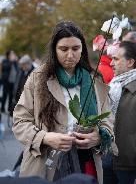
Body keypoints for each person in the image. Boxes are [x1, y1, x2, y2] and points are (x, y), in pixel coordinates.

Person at [12, 21, 114, 184]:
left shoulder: (95, 79)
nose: (70, 55)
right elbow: (20, 121)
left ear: (82, 49)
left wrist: (99, 137)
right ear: (54, 50)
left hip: (86, 161)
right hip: (45, 162)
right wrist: (45, 137)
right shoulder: (38, 78)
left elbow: (108, 119)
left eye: (75, 48)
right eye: (64, 49)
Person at [110, 41, 136, 184]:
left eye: (116, 59)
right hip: (108, 158)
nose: (111, 63)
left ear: (130, 62)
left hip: (128, 165)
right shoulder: (113, 86)